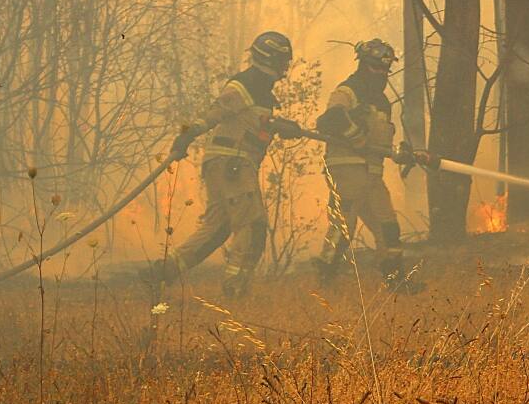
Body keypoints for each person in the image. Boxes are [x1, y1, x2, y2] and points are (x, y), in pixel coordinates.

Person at [166, 31, 302, 297]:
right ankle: (235, 289)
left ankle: (161, 273)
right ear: (269, 59)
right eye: (282, 61)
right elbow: (216, 112)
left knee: (217, 229)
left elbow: (248, 123)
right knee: (252, 225)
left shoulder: (261, 90)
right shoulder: (245, 84)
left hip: (226, 164)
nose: (285, 67)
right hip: (233, 163)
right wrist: (187, 136)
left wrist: (277, 126)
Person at [312, 39, 429, 293]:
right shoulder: (348, 91)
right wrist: (355, 135)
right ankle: (325, 280)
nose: (381, 74)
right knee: (344, 226)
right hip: (347, 169)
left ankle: (395, 281)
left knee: (388, 226)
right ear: (363, 65)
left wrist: (402, 152)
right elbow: (330, 119)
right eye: (376, 68)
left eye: (385, 69)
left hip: (372, 174)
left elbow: (380, 141)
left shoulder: (383, 102)